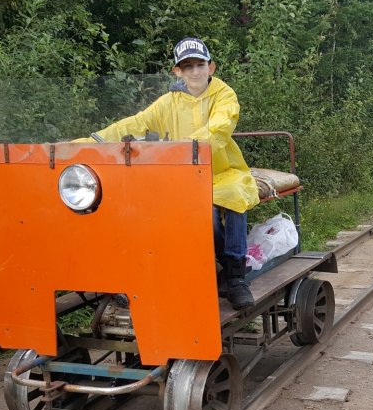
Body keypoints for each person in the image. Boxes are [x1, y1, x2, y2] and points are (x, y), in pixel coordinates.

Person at [81, 37, 259, 309]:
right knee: (145, 203)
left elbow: (221, 125)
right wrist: (90, 142)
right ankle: (152, 271)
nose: (195, 71)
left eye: (199, 64)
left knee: (234, 198)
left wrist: (192, 147)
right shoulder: (169, 101)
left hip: (222, 170)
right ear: (177, 71)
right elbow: (137, 122)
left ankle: (235, 275)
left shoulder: (225, 95)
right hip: (181, 173)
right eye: (187, 66)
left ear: (211, 67)